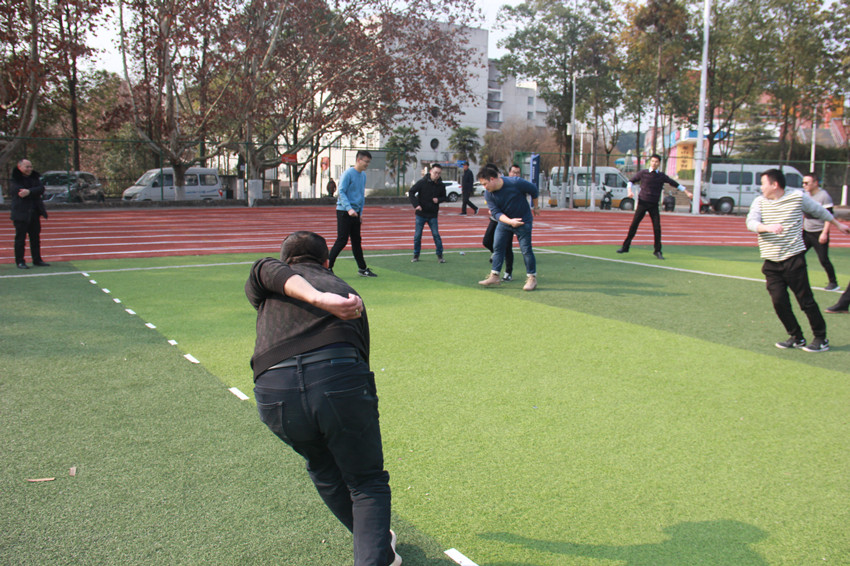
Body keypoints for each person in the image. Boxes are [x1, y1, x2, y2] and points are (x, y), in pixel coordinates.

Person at [246, 231, 400, 566]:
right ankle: (374, 549)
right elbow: (362, 354)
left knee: (323, 467)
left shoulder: (268, 283)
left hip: (273, 388)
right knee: (366, 481)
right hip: (338, 378)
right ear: (327, 262)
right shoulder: (344, 291)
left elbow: (263, 268)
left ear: (286, 261)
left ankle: (378, 548)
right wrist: (321, 299)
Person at [746, 169, 850, 353]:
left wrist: (837, 224)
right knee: (779, 301)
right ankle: (796, 337)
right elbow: (751, 222)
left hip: (793, 259)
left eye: (763, 183)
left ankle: (820, 338)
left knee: (805, 301)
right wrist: (767, 227)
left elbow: (820, 211)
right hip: (771, 262)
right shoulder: (759, 202)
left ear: (774, 184)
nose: (761, 187)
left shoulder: (797, 197)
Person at [617, 154, 693, 260]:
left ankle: (657, 251)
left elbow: (674, 183)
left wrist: (686, 192)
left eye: (656, 162)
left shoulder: (661, 176)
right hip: (642, 203)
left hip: (654, 204)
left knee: (657, 228)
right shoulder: (643, 173)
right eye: (652, 161)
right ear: (650, 162)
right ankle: (625, 247)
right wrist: (629, 191)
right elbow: (630, 181)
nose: (654, 163)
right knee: (634, 225)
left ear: (659, 163)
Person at [477, 163, 540, 291]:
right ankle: (495, 276)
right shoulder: (488, 194)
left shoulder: (515, 182)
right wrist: (510, 221)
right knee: (498, 247)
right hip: (505, 222)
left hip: (523, 222)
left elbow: (533, 190)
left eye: (485, 184)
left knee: (526, 250)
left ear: (492, 179)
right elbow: (496, 213)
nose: (484, 187)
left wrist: (536, 207)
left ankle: (532, 278)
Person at [329, 150, 377, 277]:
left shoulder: (363, 175)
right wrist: (349, 208)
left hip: (355, 213)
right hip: (344, 211)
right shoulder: (348, 174)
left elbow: (361, 194)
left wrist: (360, 212)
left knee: (356, 241)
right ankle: (327, 266)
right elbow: (341, 192)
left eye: (369, 162)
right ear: (358, 160)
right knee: (342, 240)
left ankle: (362, 268)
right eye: (366, 161)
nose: (367, 164)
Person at [481, 164, 519, 281]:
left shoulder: (509, 184)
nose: (515, 175)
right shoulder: (492, 184)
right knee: (487, 241)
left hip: (507, 219)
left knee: (507, 246)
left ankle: (508, 272)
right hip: (496, 218)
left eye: (517, 172)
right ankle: (497, 254)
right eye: (513, 172)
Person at [9, 159, 49, 269]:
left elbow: (41, 189)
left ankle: (37, 259)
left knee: (35, 238)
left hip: (34, 212)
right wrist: (31, 192)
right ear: (20, 167)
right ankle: (20, 261)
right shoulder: (15, 179)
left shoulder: (35, 178)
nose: (29, 169)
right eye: (27, 167)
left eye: (30, 167)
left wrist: (29, 192)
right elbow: (19, 192)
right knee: (20, 239)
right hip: (21, 213)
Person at [802, 172, 839, 291]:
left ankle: (833, 283)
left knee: (823, 259)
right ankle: (797, 279)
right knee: (797, 255)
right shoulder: (805, 195)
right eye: (803, 183)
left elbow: (829, 216)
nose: (804, 185)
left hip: (819, 232)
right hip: (807, 232)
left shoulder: (824, 196)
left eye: (807, 183)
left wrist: (824, 233)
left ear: (815, 183)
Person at [408, 163, 447, 263]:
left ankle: (440, 255)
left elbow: (444, 197)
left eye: (439, 173)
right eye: (435, 173)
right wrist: (416, 205)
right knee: (417, 236)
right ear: (430, 172)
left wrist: (438, 200)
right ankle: (416, 255)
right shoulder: (422, 182)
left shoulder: (441, 185)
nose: (437, 175)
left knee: (436, 235)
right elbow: (411, 192)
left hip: (433, 214)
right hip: (421, 214)